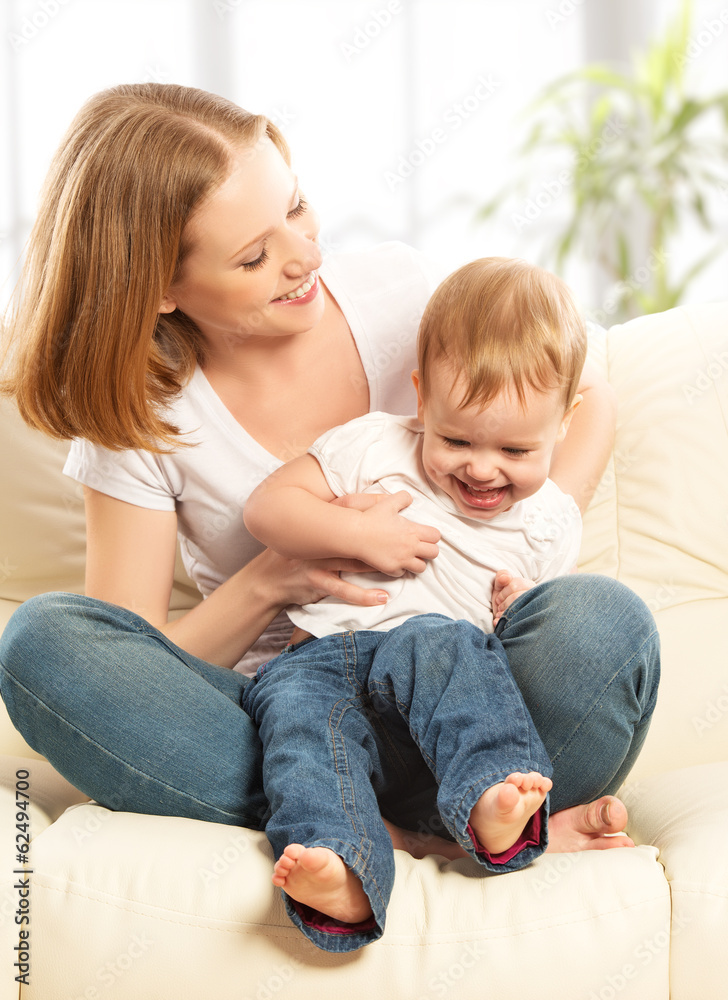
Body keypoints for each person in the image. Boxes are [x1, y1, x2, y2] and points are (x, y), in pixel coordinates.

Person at [0, 84, 658, 893]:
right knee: (44, 644)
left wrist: (524, 529)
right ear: (161, 289)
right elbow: (139, 660)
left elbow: (586, 392)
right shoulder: (146, 418)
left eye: (298, 208)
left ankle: (452, 805)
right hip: (296, 718)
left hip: (476, 697)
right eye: (253, 257)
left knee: (603, 624)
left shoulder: (398, 293)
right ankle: (410, 835)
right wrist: (270, 579)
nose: (304, 255)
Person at [239, 256, 599, 951]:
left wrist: (519, 607)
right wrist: (356, 530)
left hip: (427, 691)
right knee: (299, 731)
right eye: (456, 438)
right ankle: (339, 867)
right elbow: (267, 507)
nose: (482, 467)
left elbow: (539, 636)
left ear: (566, 420)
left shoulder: (550, 521)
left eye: (516, 449)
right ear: (421, 397)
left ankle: (493, 801)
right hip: (317, 660)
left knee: (442, 642)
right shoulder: (375, 443)